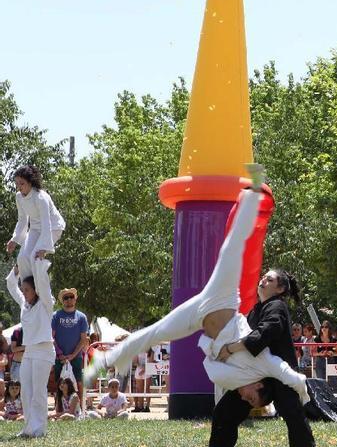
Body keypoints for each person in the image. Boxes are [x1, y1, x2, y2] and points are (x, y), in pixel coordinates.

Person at [88, 168, 311, 428]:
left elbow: (212, 367)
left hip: (199, 319)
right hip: (222, 299)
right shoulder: (266, 366)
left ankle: (109, 359)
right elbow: (294, 377)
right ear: (260, 386)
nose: (245, 398)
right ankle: (255, 188)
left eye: (247, 402)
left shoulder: (232, 382)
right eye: (251, 398)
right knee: (233, 245)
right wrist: (304, 395)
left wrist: (220, 351)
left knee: (156, 332)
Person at [211, 268, 315, 447]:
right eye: (264, 277)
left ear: (280, 289)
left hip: (280, 373)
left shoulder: (277, 306)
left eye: (269, 279)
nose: (263, 280)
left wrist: (231, 348)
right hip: (256, 374)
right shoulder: (256, 310)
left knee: (293, 416)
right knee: (224, 412)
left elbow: (268, 330)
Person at [5, 258, 55, 438]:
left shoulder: (46, 304)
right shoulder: (24, 306)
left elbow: (44, 285)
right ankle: (28, 428)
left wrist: (38, 263)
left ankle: (39, 429)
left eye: (27, 290)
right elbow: (11, 285)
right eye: (23, 290)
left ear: (36, 290)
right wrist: (17, 268)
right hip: (30, 351)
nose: (24, 293)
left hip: (44, 350)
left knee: (38, 391)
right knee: (26, 391)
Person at [6, 165, 65, 280]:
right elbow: (22, 219)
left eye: (21, 183)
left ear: (30, 183)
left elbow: (46, 223)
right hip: (35, 229)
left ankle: (42, 293)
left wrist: (44, 247)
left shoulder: (40, 197)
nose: (18, 187)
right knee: (22, 258)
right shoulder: (19, 197)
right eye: (17, 183)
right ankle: (28, 292)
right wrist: (15, 239)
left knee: (35, 257)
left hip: (53, 227)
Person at [52, 287, 88, 405]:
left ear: (75, 299)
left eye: (71, 297)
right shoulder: (55, 316)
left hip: (76, 357)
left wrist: (73, 355)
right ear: (62, 301)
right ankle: (59, 407)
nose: (69, 299)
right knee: (59, 383)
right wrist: (60, 354)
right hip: (59, 357)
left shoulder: (82, 317)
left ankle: (81, 409)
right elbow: (51, 337)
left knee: (79, 383)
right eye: (65, 298)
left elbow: (83, 339)